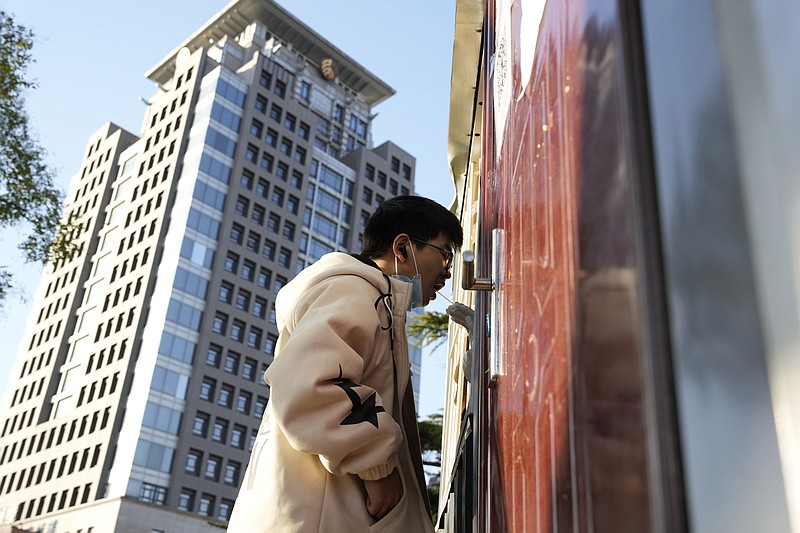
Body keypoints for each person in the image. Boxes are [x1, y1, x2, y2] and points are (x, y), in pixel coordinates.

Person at [228, 196, 463, 532]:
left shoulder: (374, 300)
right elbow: (311, 386)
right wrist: (378, 469)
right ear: (403, 248)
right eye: (444, 253)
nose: (448, 271)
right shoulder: (353, 290)